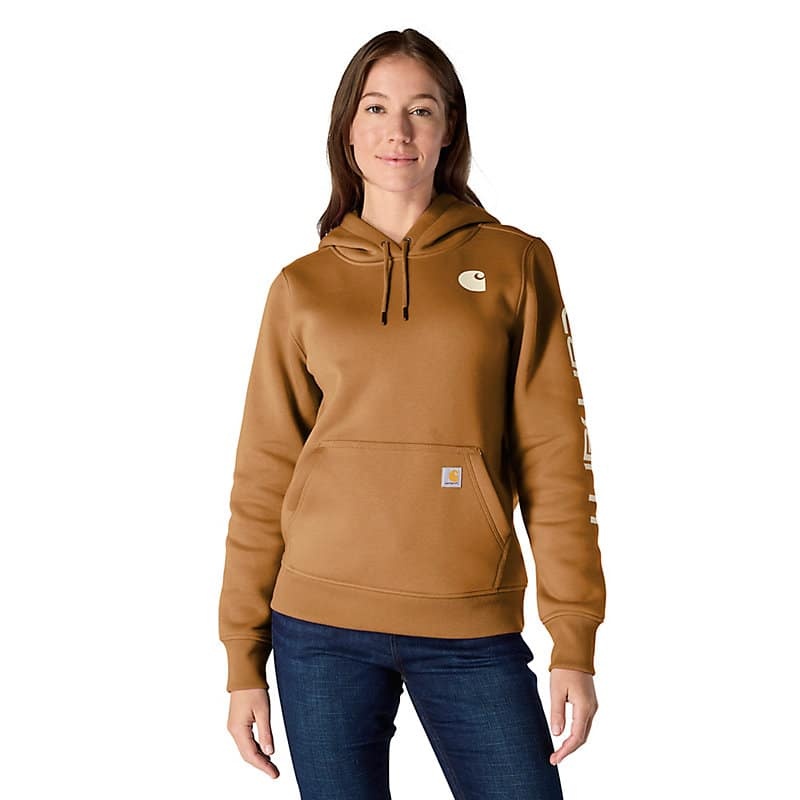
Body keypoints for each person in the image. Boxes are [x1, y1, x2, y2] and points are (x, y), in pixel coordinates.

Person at [218, 28, 606, 800]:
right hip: (318, 629)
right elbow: (263, 475)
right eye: (376, 108)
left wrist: (574, 642)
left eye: (421, 109)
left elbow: (557, 459)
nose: (398, 130)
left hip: (469, 625)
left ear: (449, 128)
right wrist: (241, 661)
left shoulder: (514, 263)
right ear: (347, 129)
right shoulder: (301, 287)